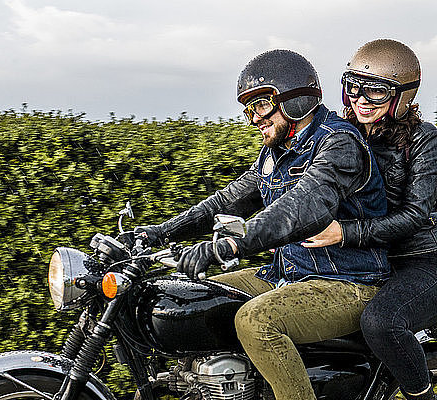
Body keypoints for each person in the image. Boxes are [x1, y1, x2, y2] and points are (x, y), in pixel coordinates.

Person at [136, 49, 390, 400]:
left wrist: (232, 243)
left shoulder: (339, 143)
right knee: (190, 301)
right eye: (249, 109)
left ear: (294, 99)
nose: (254, 118)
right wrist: (158, 232)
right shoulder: (274, 152)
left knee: (256, 322)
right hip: (286, 274)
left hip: (348, 283)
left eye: (260, 105)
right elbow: (227, 200)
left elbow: (301, 207)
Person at [303, 39, 437, 400]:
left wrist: (343, 233)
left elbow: (415, 215)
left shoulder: (424, 140)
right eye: (354, 87)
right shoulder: (337, 134)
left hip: (417, 261)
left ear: (402, 96)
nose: (361, 99)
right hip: (364, 261)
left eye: (377, 92)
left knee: (380, 323)